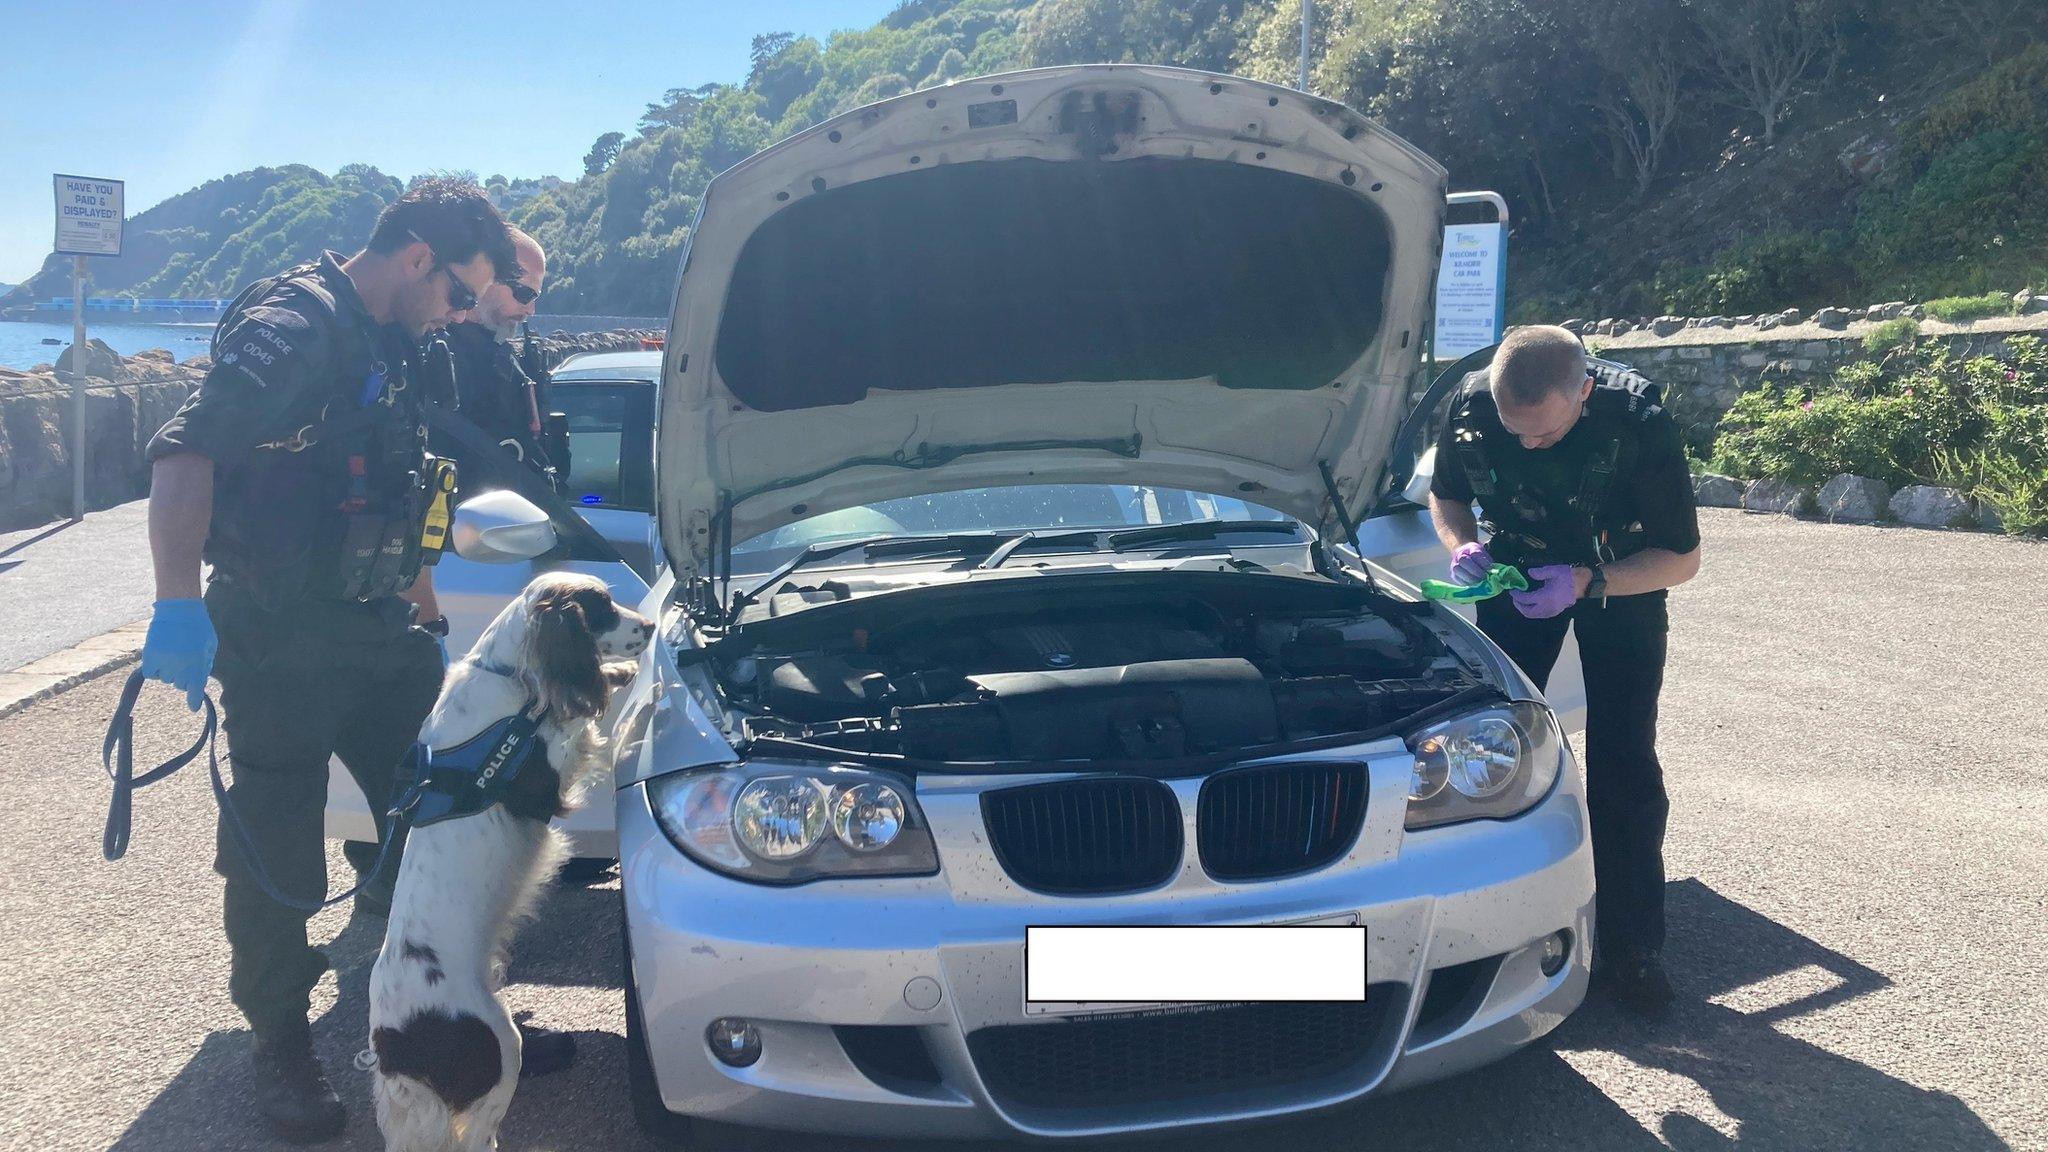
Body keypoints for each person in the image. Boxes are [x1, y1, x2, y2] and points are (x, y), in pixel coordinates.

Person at [137, 179, 518, 1142]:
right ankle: (281, 1049)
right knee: (278, 856)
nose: (464, 314)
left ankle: (458, 1013)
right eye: (461, 292)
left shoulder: (407, 341)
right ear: (420, 260)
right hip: (277, 636)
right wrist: (176, 604)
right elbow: (186, 454)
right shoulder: (294, 324)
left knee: (451, 812)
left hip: (379, 632)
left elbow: (414, 478)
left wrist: (422, 594)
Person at [1426, 324, 1703, 1016]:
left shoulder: (1637, 420)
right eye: (1513, 432)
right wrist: (1462, 546)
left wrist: (1588, 582)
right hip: (1518, 576)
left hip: (1620, 579)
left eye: (1544, 435)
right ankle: (1481, 936)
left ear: (1583, 391)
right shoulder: (1470, 406)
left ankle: (1634, 951)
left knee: (1623, 759)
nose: (1527, 445)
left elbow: (1681, 558)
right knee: (1483, 753)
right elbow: (1447, 495)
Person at [433, 226, 564, 493]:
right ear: (487, 279)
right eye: (524, 294)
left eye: (535, 297)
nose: (530, 309)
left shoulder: (503, 355)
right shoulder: (437, 355)